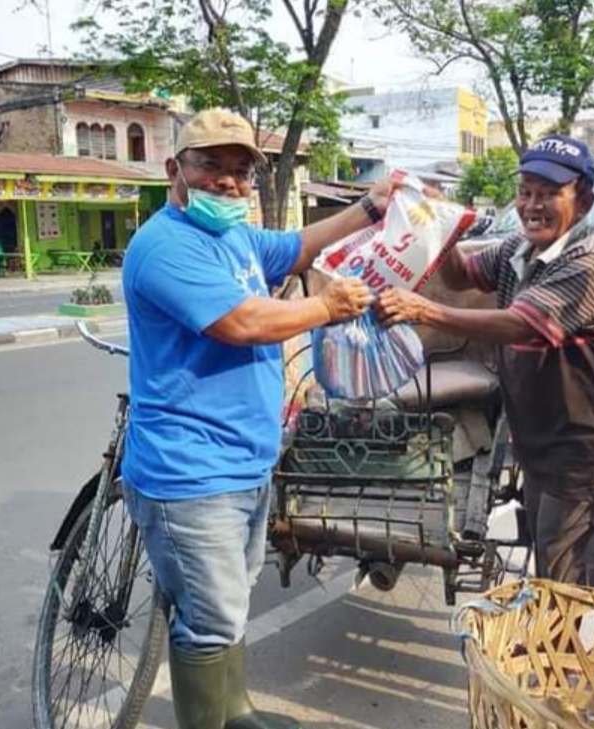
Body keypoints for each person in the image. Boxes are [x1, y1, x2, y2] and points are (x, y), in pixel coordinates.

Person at [121, 108, 394, 729]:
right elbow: (241, 323)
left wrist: (368, 210)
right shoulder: (164, 245)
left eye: (241, 171)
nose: (228, 181)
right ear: (174, 169)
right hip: (191, 472)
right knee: (210, 618)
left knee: (231, 602)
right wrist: (326, 307)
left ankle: (235, 710)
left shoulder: (238, 238)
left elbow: (298, 246)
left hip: (245, 461)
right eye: (210, 165)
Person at [375, 134, 594, 588]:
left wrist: (423, 310)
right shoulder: (518, 248)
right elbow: (460, 276)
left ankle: (563, 637)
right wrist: (439, 224)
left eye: (548, 194)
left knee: (565, 582)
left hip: (576, 450)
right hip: (535, 439)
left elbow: (521, 324)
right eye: (525, 192)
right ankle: (546, 630)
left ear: (584, 202)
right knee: (546, 564)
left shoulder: (593, 261)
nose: (533, 205)